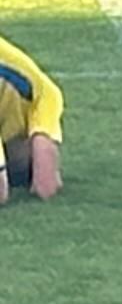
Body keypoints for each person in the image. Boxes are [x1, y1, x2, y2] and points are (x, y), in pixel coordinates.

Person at [0, 36, 62, 203]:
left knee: (45, 184)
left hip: (25, 117)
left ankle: (23, 159)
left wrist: (43, 135)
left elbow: (45, 92)